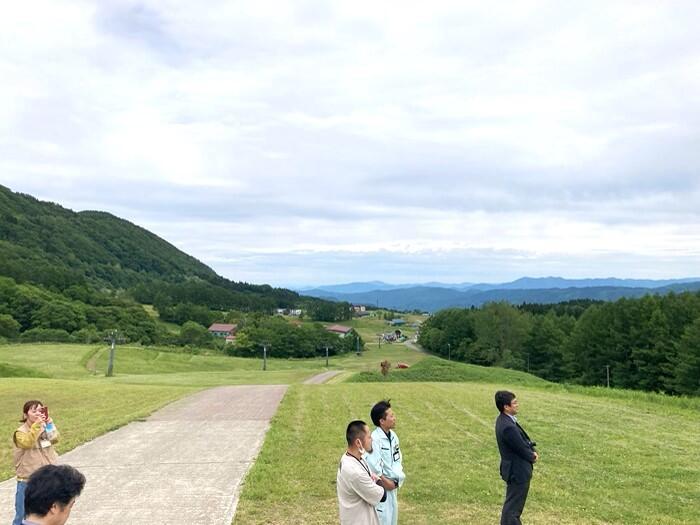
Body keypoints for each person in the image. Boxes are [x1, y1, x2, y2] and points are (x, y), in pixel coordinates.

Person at [495, 391, 539, 525]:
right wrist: (533, 455)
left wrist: (531, 448)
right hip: (518, 472)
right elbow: (520, 447)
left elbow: (523, 441)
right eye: (514, 403)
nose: (517, 405)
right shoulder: (508, 427)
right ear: (506, 407)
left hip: (513, 470)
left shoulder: (504, 420)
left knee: (511, 507)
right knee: (513, 511)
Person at [13, 400, 60, 525]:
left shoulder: (44, 426)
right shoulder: (20, 432)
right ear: (25, 415)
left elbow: (54, 439)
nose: (37, 414)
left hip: (47, 478)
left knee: (47, 514)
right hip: (27, 480)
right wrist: (37, 426)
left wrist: (49, 424)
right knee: (22, 516)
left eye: (40, 410)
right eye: (33, 411)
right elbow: (27, 442)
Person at [337, 420, 387, 525]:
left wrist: (374, 479)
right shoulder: (354, 472)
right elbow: (383, 496)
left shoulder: (353, 458)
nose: (372, 439)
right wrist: (377, 480)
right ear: (358, 442)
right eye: (369, 437)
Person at [365, 400, 405, 525]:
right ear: (381, 421)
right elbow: (372, 466)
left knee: (393, 520)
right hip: (381, 490)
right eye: (391, 415)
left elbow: (398, 460)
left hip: (393, 487)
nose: (394, 418)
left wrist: (397, 481)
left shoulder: (394, 436)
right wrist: (385, 483)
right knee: (382, 520)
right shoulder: (375, 439)